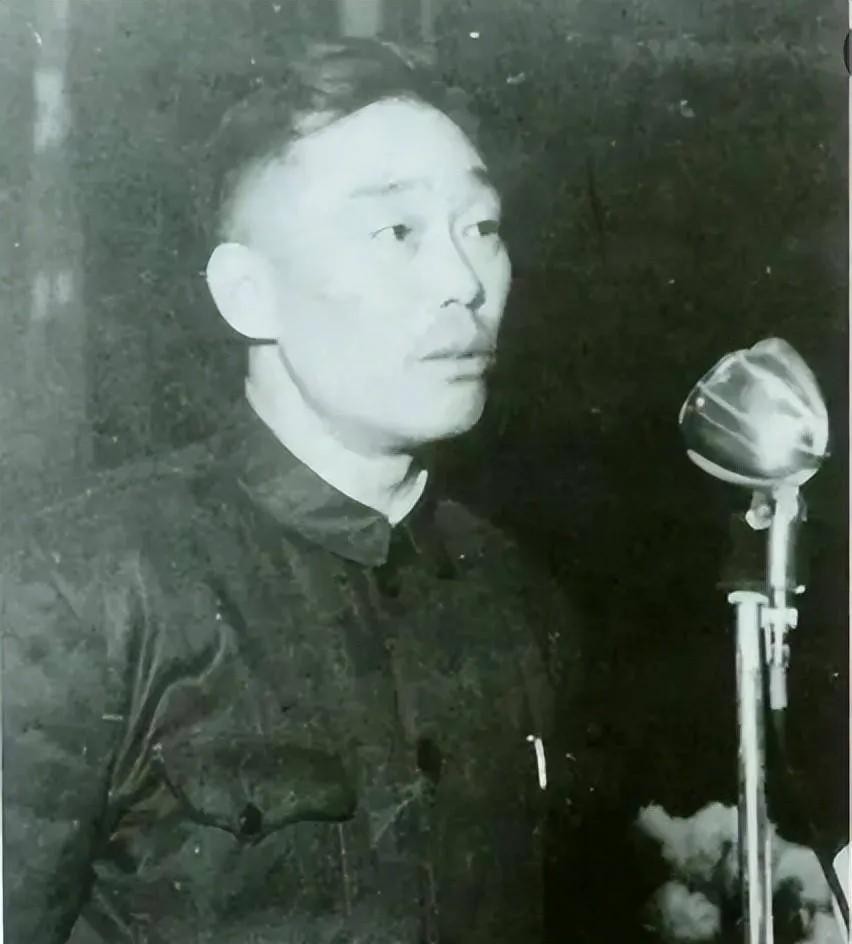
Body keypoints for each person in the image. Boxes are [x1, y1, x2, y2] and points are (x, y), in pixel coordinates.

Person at [1, 38, 577, 943]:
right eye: (397, 233)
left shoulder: (516, 600)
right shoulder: (80, 591)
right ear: (247, 293)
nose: (464, 282)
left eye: (482, 227)